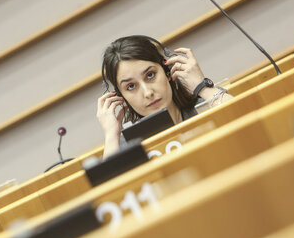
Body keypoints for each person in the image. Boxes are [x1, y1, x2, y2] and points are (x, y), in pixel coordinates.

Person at [97, 35, 233, 157]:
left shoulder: (209, 101)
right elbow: (111, 185)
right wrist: (111, 135)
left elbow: (247, 121)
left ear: (167, 72)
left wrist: (203, 87)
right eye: (131, 86)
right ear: (122, 97)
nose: (147, 92)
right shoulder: (125, 145)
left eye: (150, 75)